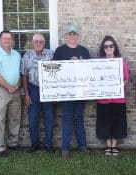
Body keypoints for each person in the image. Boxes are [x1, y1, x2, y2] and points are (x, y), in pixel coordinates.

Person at [53, 25, 90, 158]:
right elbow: (54, 70)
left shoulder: (84, 51)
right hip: (66, 91)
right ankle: (65, 148)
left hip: (80, 91)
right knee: (67, 118)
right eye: (70, 34)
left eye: (74, 34)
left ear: (77, 36)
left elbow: (88, 70)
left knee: (79, 118)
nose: (72, 37)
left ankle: (82, 146)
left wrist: (79, 64)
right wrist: (68, 63)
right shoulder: (60, 50)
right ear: (67, 36)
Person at [20, 33, 55, 153]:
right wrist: (26, 93)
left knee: (49, 118)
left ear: (44, 43)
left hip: (48, 90)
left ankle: (48, 144)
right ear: (32, 43)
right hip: (33, 89)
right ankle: (35, 144)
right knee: (33, 118)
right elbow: (24, 75)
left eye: (41, 42)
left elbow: (60, 70)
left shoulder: (51, 54)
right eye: (36, 41)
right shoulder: (27, 56)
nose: (38, 43)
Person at [0, 30, 22, 157]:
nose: (7, 41)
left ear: (12, 40)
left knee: (14, 118)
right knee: (0, 119)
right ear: (0, 40)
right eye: (5, 38)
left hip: (15, 90)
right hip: (1, 90)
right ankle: (0, 147)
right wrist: (9, 87)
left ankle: (13, 143)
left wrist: (18, 85)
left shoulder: (16, 55)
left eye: (9, 38)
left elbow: (18, 72)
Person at [96, 35, 129, 156]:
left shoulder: (121, 61)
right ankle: (107, 145)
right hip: (103, 98)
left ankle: (114, 146)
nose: (108, 48)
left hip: (118, 98)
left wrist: (117, 87)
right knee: (105, 121)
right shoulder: (99, 62)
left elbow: (126, 79)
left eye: (111, 46)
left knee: (117, 121)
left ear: (114, 47)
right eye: (106, 46)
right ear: (103, 48)